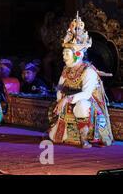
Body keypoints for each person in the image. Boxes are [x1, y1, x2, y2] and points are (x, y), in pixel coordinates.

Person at [48, 13, 114, 148]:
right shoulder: (66, 69)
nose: (64, 57)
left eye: (67, 54)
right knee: (52, 135)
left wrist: (66, 99)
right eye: (63, 54)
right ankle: (70, 135)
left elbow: (86, 94)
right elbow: (60, 88)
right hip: (70, 100)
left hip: (90, 105)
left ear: (78, 54)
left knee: (82, 105)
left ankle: (84, 138)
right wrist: (60, 98)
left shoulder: (88, 71)